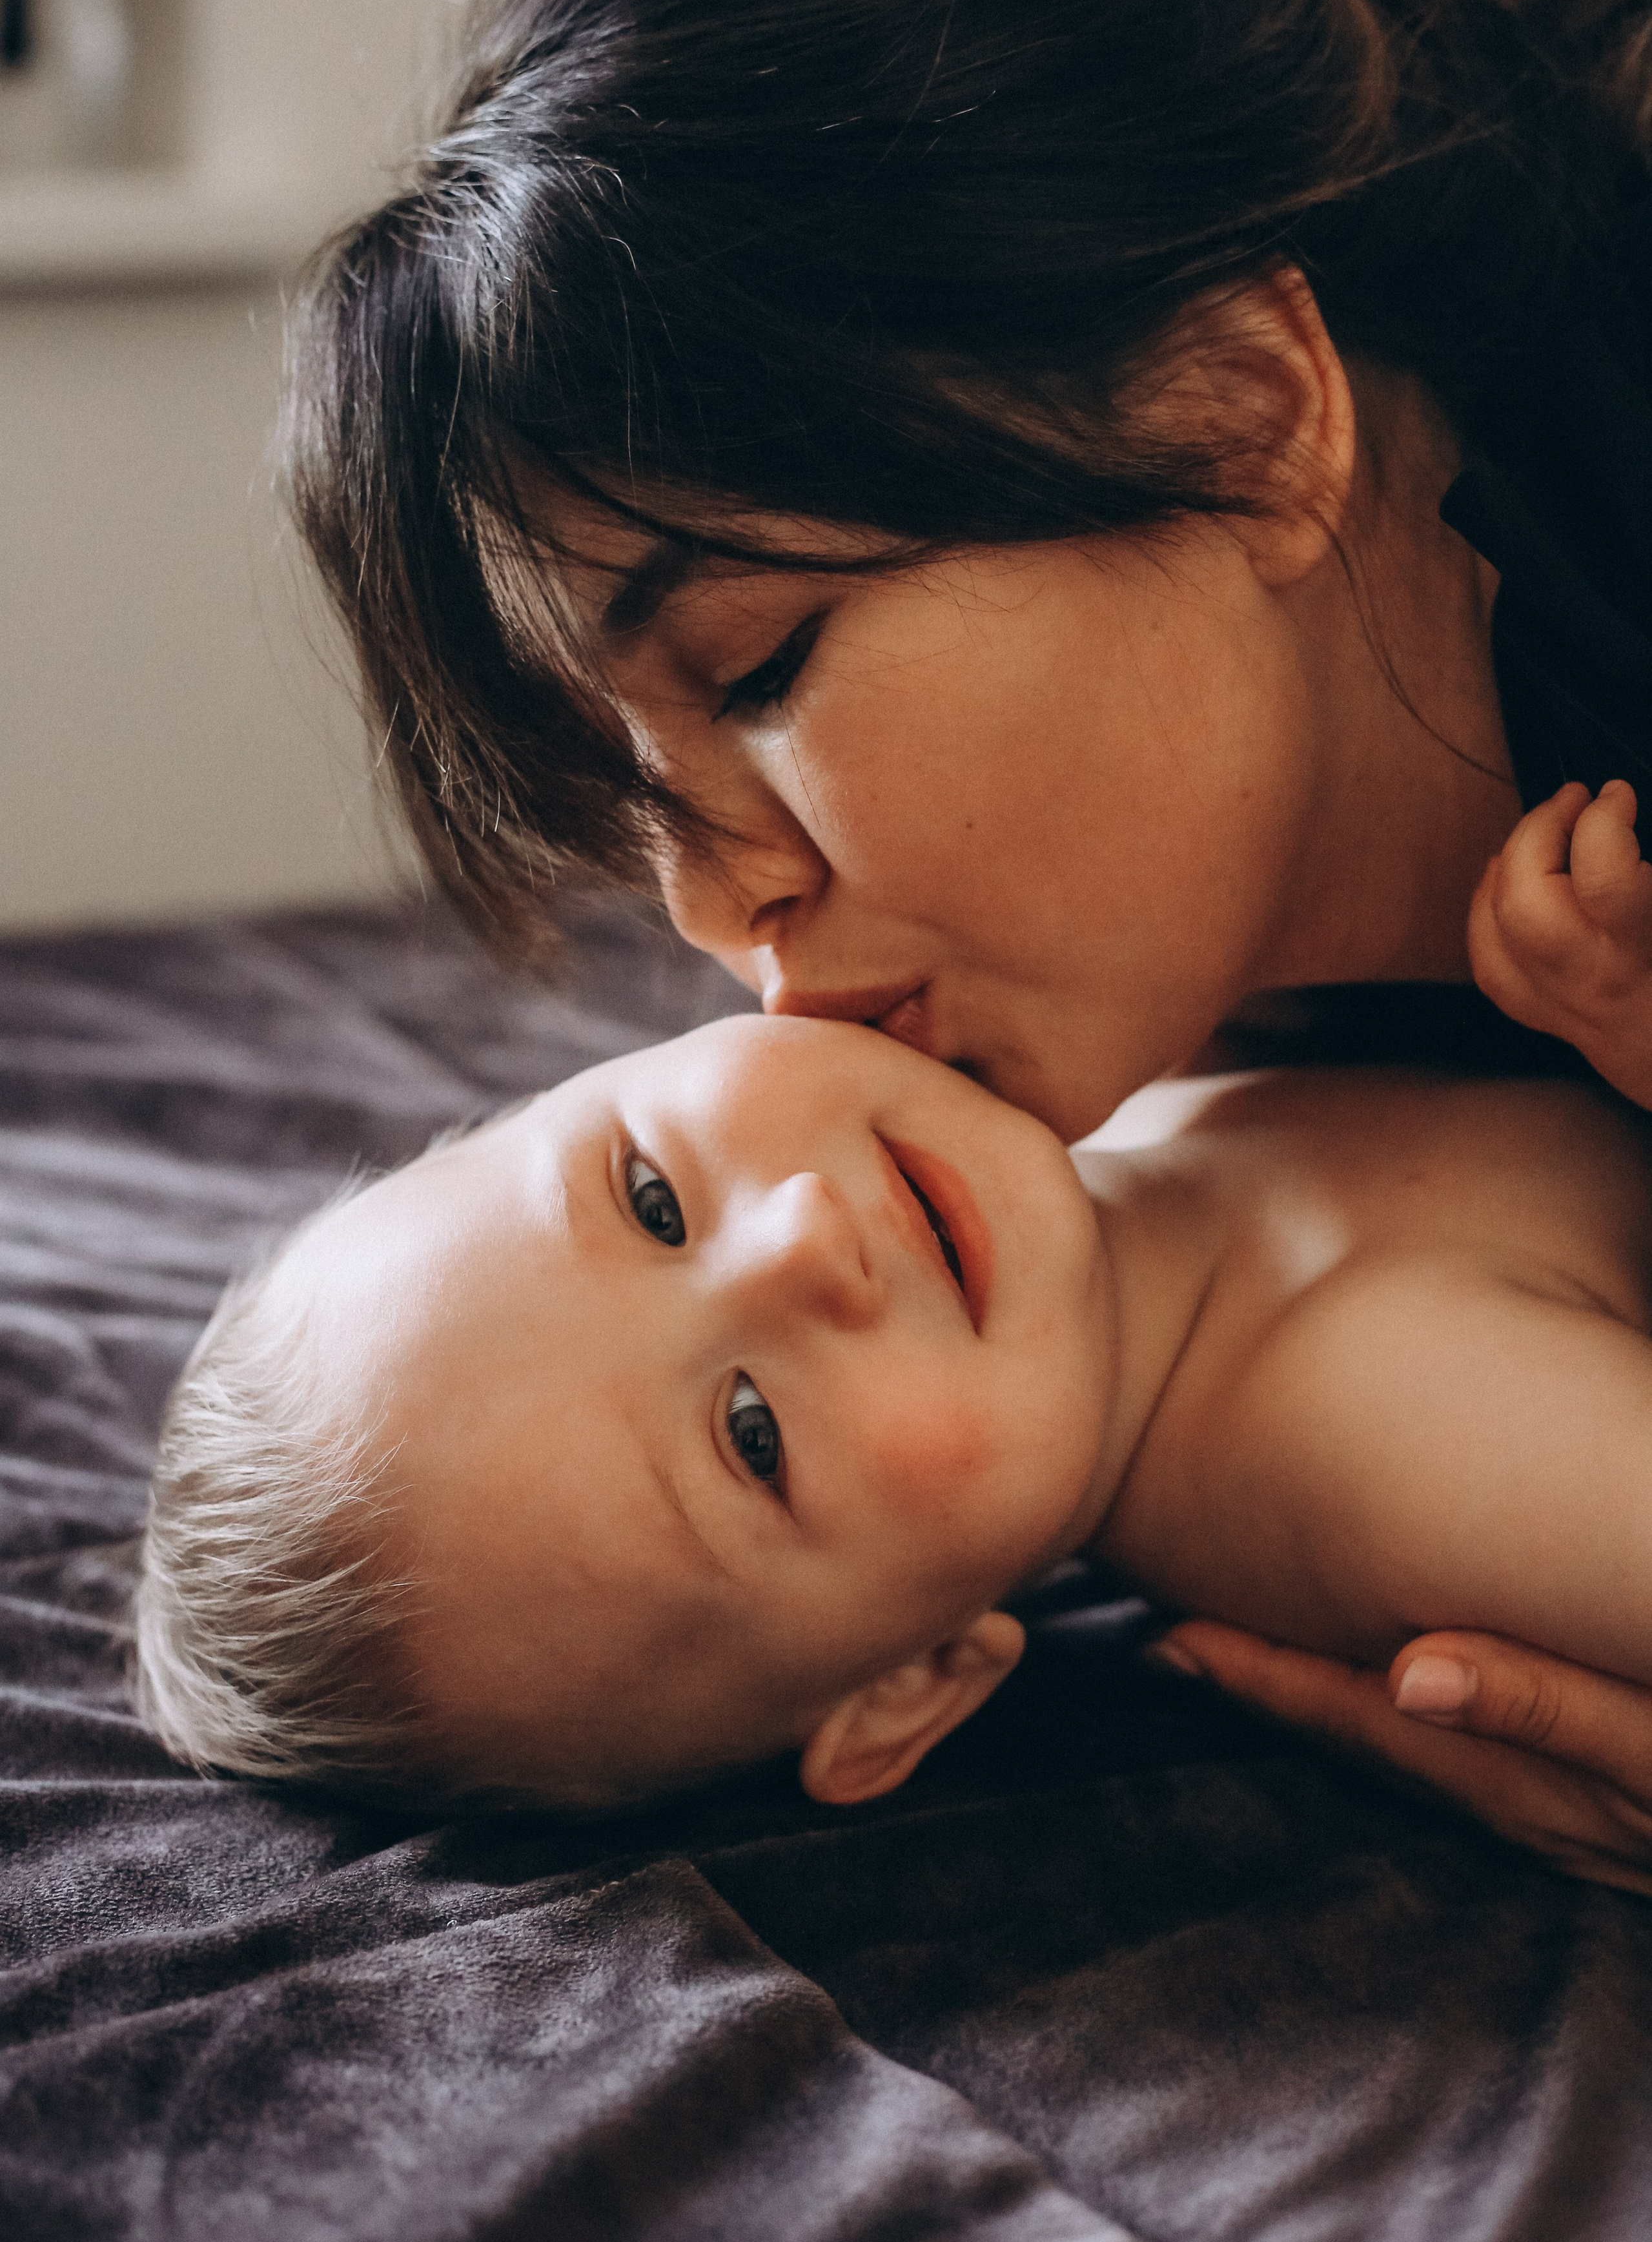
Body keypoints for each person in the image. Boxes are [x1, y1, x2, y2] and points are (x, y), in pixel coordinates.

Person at [283, 0, 1652, 1881]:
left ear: (1240, 408)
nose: (709, 915)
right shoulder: (1173, 1055)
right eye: (635, 801)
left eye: (754, 668)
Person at [134, 788, 1652, 1841]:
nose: (802, 1241)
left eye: (652, 1197)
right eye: (749, 1433)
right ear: (905, 1686)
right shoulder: (1380, 1434)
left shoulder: (1087, 1081)